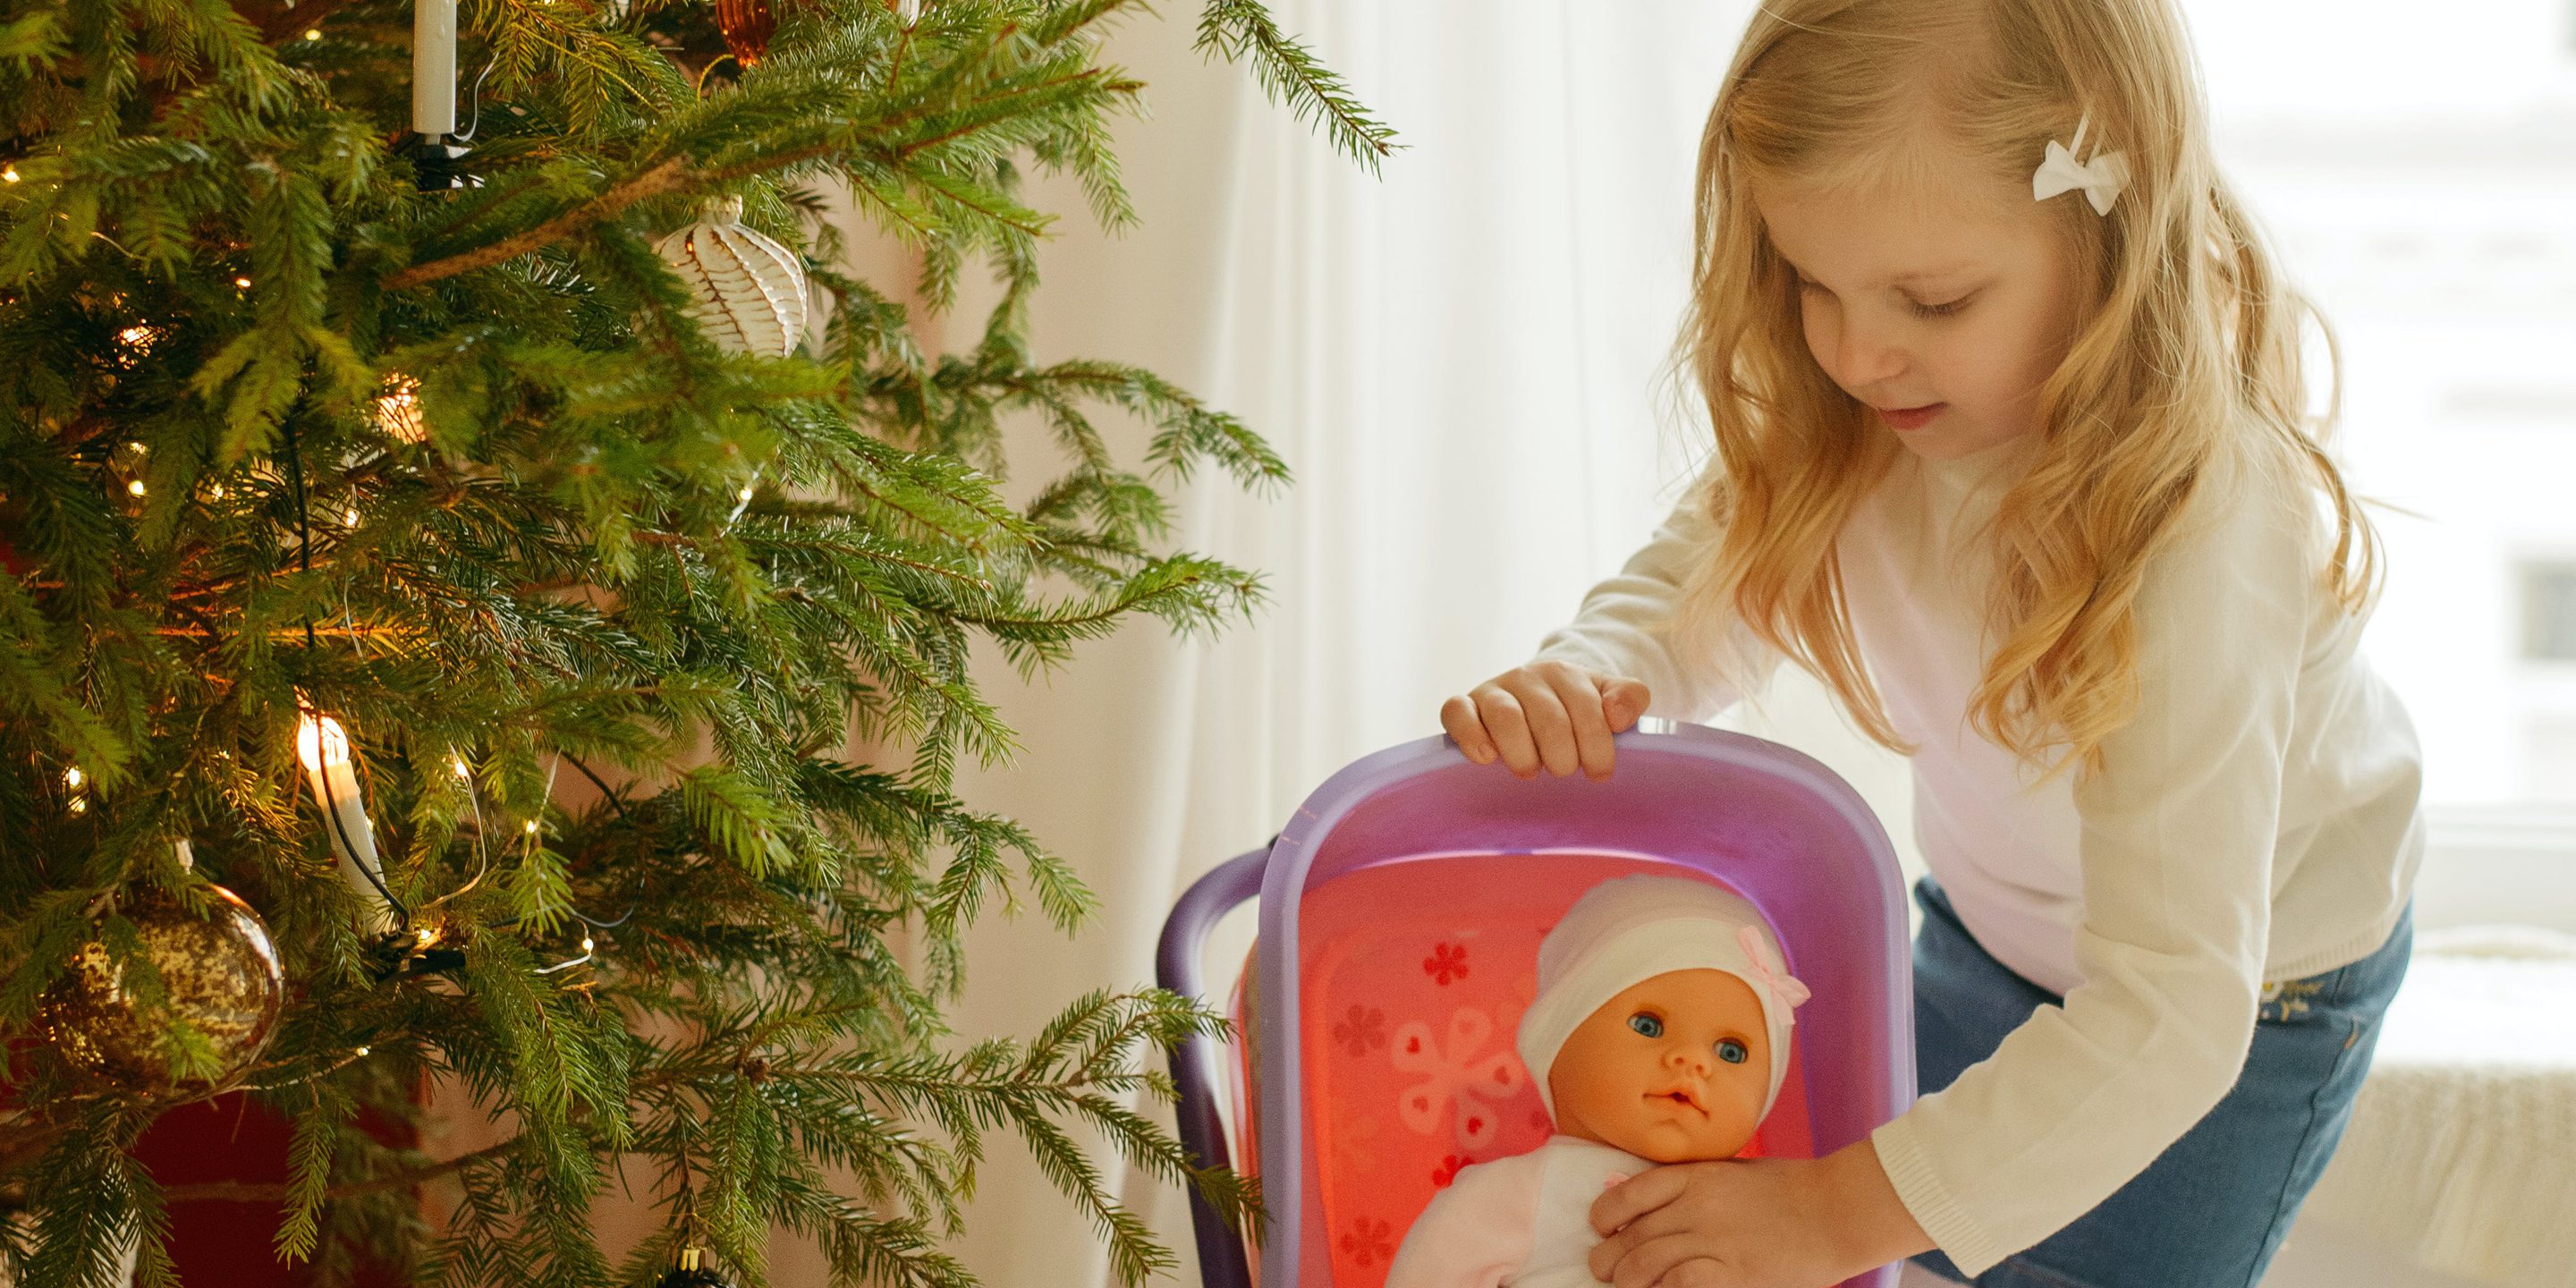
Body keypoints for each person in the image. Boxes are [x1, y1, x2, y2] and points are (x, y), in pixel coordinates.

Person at [1435, 3, 2424, 1286]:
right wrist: (1594, 668)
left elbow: (2174, 1015)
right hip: (1993, 926)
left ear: (2104, 230)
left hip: (2246, 1002)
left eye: (1933, 298)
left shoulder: (2201, 522)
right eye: (1811, 284)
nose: (1853, 350)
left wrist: (1837, 1212)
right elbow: (1710, 569)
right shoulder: (1875, 405)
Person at [1384, 876, 1811, 1288]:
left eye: (1731, 1052)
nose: (1694, 1061)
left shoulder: (1754, 1208)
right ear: (1557, 1046)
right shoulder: (1522, 1193)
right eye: (1648, 1025)